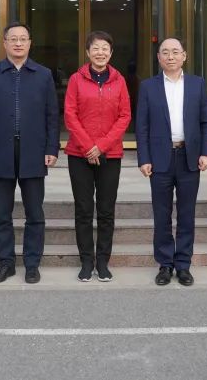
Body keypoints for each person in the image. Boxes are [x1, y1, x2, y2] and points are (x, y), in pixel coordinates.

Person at [0, 22, 60, 284]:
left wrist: (52, 148)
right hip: (0, 152)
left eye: (23, 38)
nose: (18, 43)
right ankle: (5, 263)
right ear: (4, 43)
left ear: (30, 43)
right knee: (2, 214)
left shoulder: (43, 74)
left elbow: (52, 115)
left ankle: (32, 264)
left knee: (35, 213)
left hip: (34, 151)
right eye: (13, 39)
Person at [136, 38, 207, 287]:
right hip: (160, 158)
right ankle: (165, 264)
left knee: (187, 214)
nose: (170, 56)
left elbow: (206, 121)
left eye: (175, 52)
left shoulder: (197, 84)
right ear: (158, 57)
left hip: (189, 157)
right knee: (162, 215)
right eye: (165, 52)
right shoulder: (148, 87)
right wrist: (144, 158)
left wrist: (206, 152)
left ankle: (183, 265)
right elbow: (142, 126)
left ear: (184, 56)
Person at [64, 31, 132, 282]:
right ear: (87, 52)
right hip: (78, 154)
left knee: (106, 210)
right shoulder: (76, 79)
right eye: (95, 48)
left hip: (110, 154)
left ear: (111, 53)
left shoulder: (119, 81)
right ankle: (86, 261)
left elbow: (124, 116)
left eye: (105, 48)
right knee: (83, 209)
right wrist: (88, 146)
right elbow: (70, 114)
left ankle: (103, 262)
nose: (100, 52)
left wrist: (101, 146)